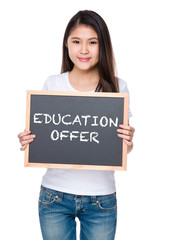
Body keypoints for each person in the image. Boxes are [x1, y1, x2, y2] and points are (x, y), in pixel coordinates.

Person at [18, 10, 135, 240]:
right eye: (76, 42)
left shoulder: (117, 87)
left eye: (92, 42)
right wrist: (28, 140)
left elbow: (122, 149)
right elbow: (45, 134)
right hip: (55, 198)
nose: (84, 50)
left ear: (103, 46)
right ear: (66, 44)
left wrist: (128, 142)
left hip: (101, 199)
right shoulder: (52, 83)